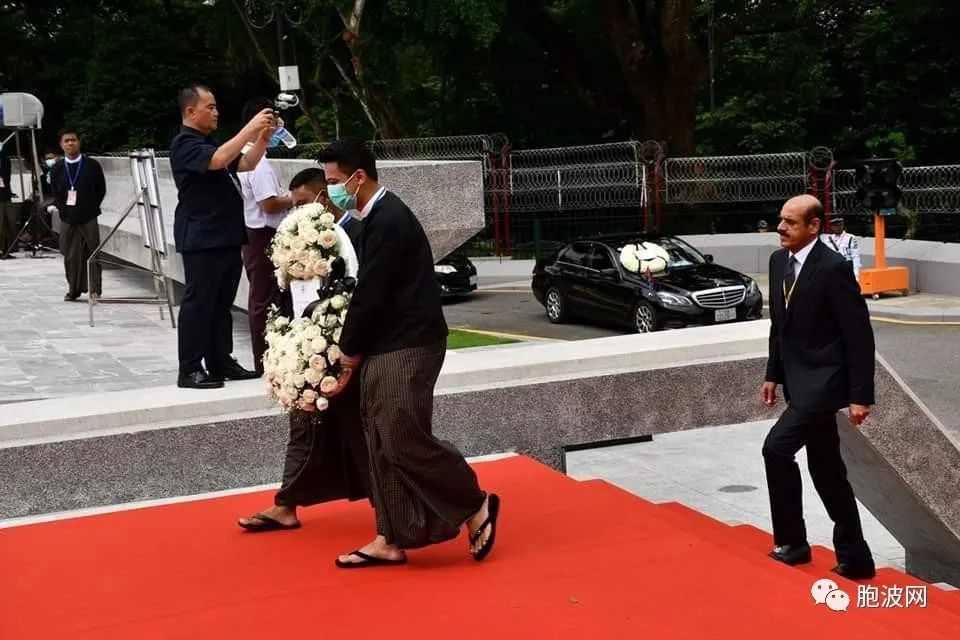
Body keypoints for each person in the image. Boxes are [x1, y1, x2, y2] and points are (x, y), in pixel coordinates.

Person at [320, 137, 500, 568]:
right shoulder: (368, 219)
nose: (331, 193)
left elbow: (373, 295)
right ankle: (391, 535)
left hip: (410, 343)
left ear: (358, 177)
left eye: (334, 182)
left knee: (401, 435)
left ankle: (474, 502)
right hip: (388, 343)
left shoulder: (389, 219)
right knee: (379, 439)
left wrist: (347, 354)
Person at [237, 167, 371, 532]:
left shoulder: (359, 234)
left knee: (363, 431)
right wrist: (286, 341)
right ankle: (286, 504)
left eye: (300, 204)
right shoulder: (293, 243)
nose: (294, 212)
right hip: (307, 351)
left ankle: (397, 502)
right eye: (292, 205)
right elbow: (286, 294)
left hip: (353, 352)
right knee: (303, 426)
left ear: (321, 199)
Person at [761, 194, 877, 580]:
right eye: (781, 220)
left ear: (814, 226)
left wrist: (860, 395)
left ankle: (792, 543)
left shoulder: (833, 268)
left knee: (776, 450)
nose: (781, 228)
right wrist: (772, 373)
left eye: (790, 223)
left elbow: (858, 336)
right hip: (797, 380)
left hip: (824, 385)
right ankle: (856, 557)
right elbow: (780, 326)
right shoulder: (779, 262)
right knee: (827, 471)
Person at [169, 83, 275, 389]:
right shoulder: (185, 143)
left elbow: (245, 163)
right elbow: (217, 160)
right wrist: (248, 128)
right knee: (199, 301)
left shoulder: (209, 142)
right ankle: (189, 367)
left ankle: (219, 360)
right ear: (191, 111)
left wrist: (263, 138)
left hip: (226, 232)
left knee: (221, 302)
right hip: (202, 234)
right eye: (210, 107)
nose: (216, 112)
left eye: (216, 107)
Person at [237, 97, 294, 374]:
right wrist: (295, 198)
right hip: (262, 235)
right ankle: (265, 359)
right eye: (275, 125)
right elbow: (268, 203)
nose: (280, 131)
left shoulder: (252, 158)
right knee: (264, 299)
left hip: (257, 234)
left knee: (267, 297)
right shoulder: (255, 163)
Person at [49, 129, 106, 300]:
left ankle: (95, 289)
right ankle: (73, 288)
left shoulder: (92, 165)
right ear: (61, 145)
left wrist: (91, 206)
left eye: (73, 140)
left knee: (92, 252)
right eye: (66, 141)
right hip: (67, 216)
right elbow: (55, 192)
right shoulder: (58, 168)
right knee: (69, 254)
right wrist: (63, 209)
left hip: (88, 215)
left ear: (79, 142)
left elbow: (100, 189)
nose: (70, 143)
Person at [288, 167, 363, 247]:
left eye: (302, 204)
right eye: (296, 207)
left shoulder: (361, 235)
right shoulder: (310, 240)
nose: (299, 211)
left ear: (324, 196)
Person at [822, 216, 861, 281]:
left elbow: (855, 256)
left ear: (843, 226)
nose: (838, 228)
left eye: (839, 225)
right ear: (831, 227)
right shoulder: (828, 239)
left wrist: (856, 274)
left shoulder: (850, 238)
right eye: (835, 226)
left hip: (847, 265)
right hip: (833, 267)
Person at [0, 143, 16, 259]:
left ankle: (6, 248)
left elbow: (7, 177)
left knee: (9, 222)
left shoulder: (5, 160)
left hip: (5, 194)